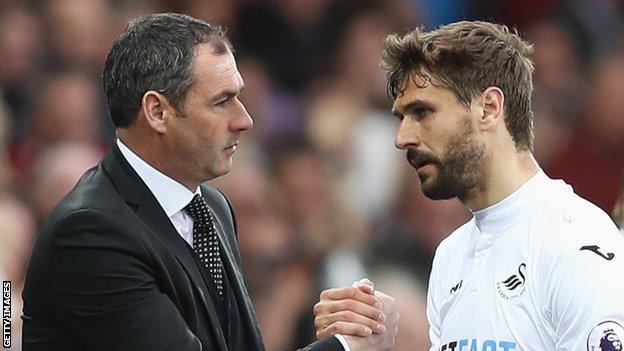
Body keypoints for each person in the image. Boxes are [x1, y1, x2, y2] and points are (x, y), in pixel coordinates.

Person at [21, 13, 398, 351]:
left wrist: (345, 328)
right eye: (222, 101)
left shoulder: (211, 207)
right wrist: (347, 347)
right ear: (157, 112)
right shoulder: (91, 233)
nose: (244, 119)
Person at [313, 21, 624, 350]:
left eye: (422, 112)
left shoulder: (577, 244)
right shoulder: (451, 255)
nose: (402, 138)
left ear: (489, 108)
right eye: (401, 118)